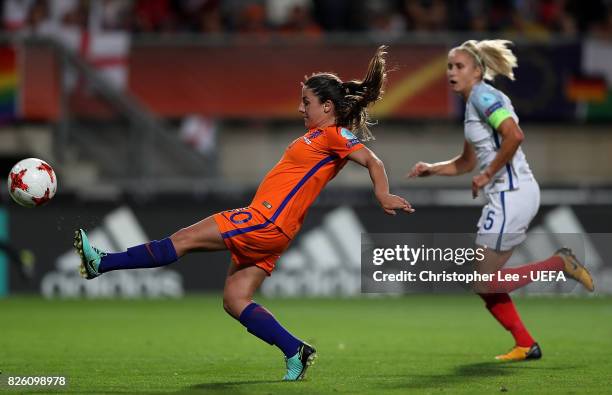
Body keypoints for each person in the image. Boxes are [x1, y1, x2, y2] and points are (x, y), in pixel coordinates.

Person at [74, 46, 414, 381]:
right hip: (276, 230)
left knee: (183, 240)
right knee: (235, 300)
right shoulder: (316, 137)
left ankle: (102, 263)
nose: (300, 108)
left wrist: (382, 193)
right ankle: (295, 350)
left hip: (265, 221)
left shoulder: (333, 135)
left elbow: (373, 160)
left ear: (327, 106)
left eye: (306, 102)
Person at [407, 39, 594, 362]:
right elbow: (466, 163)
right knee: (484, 283)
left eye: (459, 66)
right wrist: (432, 169)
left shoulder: (484, 96)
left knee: (483, 281)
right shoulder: (473, 105)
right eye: (449, 66)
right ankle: (526, 344)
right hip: (507, 196)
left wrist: (487, 173)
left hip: (511, 194)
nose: (452, 71)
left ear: (477, 71)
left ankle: (558, 263)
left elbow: (514, 136)